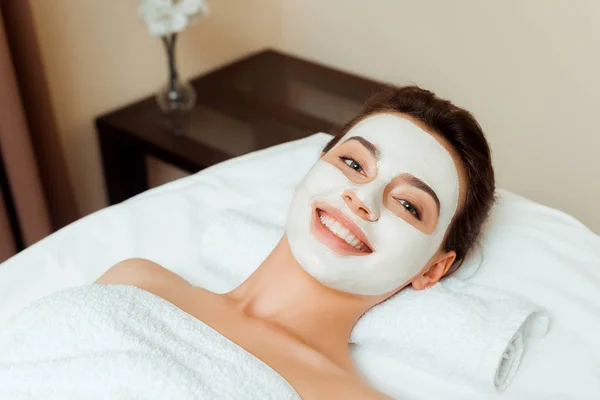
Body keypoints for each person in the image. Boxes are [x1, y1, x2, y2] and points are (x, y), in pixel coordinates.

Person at [0, 85, 495, 399]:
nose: (362, 198)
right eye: (352, 164)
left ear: (432, 268)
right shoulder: (137, 281)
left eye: (409, 205)